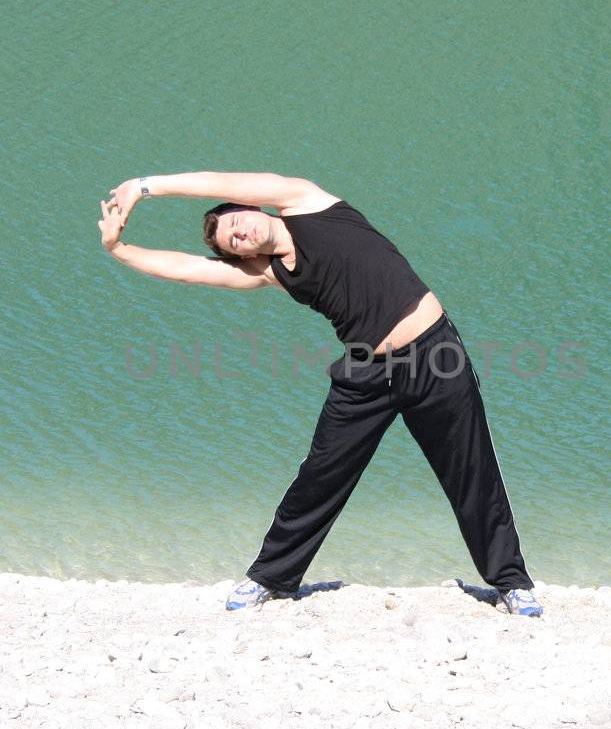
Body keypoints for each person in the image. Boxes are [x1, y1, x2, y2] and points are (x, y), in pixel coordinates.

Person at [99, 171, 541, 617]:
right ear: (244, 255)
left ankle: (510, 583)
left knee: (472, 471)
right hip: (366, 372)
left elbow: (222, 180)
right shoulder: (273, 273)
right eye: (234, 243)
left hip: (434, 354)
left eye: (236, 222)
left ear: (249, 206)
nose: (240, 234)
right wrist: (119, 249)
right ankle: (271, 578)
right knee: (320, 475)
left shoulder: (306, 202)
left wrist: (144, 186)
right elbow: (190, 269)